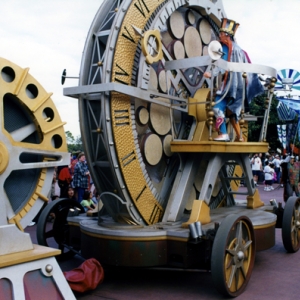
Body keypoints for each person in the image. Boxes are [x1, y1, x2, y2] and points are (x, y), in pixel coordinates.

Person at [204, 18, 264, 141]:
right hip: (240, 88)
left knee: (216, 106)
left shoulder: (226, 47)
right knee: (232, 112)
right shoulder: (240, 50)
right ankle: (240, 137)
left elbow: (223, 64)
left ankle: (223, 134)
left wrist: (211, 73)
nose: (219, 36)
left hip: (230, 86)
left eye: (221, 34)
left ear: (227, 35)